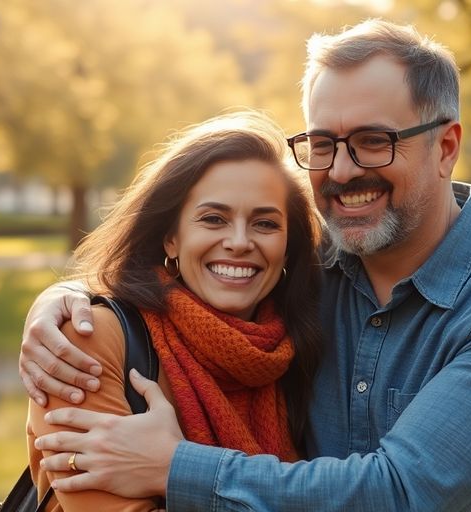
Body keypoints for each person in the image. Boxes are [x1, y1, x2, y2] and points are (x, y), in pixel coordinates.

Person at [24, 19, 471, 511]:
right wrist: (64, 302)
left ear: (445, 147)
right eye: (323, 144)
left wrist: (174, 466)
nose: (342, 171)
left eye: (373, 140)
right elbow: (184, 268)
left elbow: (399, 493)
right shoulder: (306, 269)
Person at [25, 111, 325, 511]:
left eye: (265, 224)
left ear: (288, 247)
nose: (239, 242)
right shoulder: (87, 338)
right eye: (213, 219)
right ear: (171, 238)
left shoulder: (297, 351)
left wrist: (174, 465)